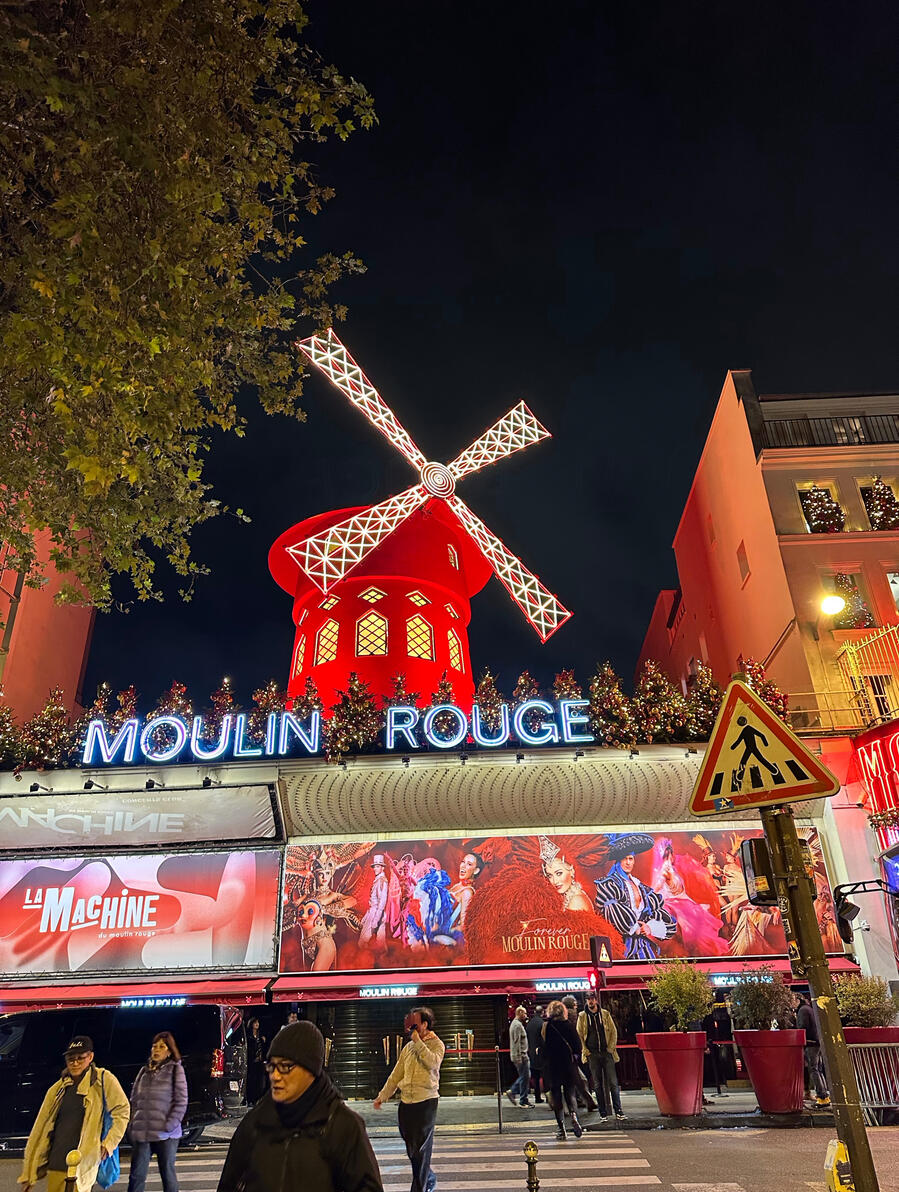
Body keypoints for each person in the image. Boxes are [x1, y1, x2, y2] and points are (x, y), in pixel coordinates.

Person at [217, 1021, 382, 1192]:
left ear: (311, 1069)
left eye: (286, 1067)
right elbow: (229, 1184)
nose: (275, 1076)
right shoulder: (256, 1122)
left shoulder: (342, 1125)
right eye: (272, 1066)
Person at [20, 1033, 130, 1192]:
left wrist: (109, 1144)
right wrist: (29, 1173)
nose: (75, 1063)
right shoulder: (58, 1089)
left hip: (83, 1163)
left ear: (90, 1056)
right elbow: (40, 1130)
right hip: (57, 1163)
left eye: (80, 1058)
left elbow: (123, 1110)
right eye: (71, 1059)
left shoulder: (103, 1080)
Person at [374, 1007, 444, 1192]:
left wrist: (418, 1042)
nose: (411, 1027)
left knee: (420, 1149)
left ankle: (419, 1187)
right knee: (412, 1148)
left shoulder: (437, 1044)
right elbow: (397, 1074)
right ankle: (428, 1176)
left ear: (424, 1024)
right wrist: (383, 1095)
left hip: (426, 1102)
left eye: (415, 1023)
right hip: (406, 1103)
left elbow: (433, 1063)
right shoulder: (408, 1047)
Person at [595, 833, 677, 960]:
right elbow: (612, 914)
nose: (628, 863)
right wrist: (635, 928)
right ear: (618, 860)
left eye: (631, 859)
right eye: (625, 859)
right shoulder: (608, 885)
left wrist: (649, 927)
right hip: (620, 947)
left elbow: (664, 918)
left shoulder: (643, 889)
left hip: (643, 947)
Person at [127, 1031, 189, 1192]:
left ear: (169, 1051)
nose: (156, 1049)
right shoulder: (144, 1071)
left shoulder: (175, 1070)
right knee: (136, 1176)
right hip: (143, 1133)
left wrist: (169, 1125)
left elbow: (181, 1101)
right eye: (154, 1046)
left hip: (166, 1134)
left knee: (167, 1175)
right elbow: (134, 1099)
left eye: (162, 1046)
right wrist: (133, 1122)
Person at [577, 990, 625, 1122]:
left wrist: (610, 1048)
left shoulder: (604, 1014)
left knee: (613, 1083)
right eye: (588, 999)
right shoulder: (582, 1016)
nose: (590, 1001)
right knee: (598, 1085)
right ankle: (603, 1113)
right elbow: (580, 1034)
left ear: (596, 1000)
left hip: (606, 1052)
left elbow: (613, 1031)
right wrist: (586, 1051)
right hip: (593, 1054)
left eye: (592, 998)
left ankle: (618, 1110)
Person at [542, 1001, 584, 1140]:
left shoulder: (548, 1027)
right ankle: (573, 1115)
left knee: (556, 1098)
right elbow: (578, 1046)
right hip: (568, 1065)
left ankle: (561, 1129)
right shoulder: (569, 1026)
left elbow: (546, 1047)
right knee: (570, 1094)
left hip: (553, 1066)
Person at [793, 992, 831, 1108]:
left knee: (814, 1070)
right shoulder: (808, 1008)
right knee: (818, 1069)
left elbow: (802, 1027)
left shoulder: (803, 1011)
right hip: (817, 1042)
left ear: (798, 1000)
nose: (792, 1003)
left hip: (811, 1043)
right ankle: (824, 1095)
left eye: (793, 1000)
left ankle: (822, 1097)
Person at [561, 996, 597, 1113]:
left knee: (574, 1081)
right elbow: (577, 1033)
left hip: (566, 1056)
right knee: (581, 1080)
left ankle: (580, 1103)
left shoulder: (561, 1019)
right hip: (573, 1055)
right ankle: (585, 1103)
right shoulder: (574, 1015)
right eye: (574, 1003)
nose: (576, 1004)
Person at [539, 836, 592, 912]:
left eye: (559, 873)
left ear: (571, 871)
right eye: (550, 876)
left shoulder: (576, 901)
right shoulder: (569, 896)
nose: (555, 881)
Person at [505, 1006, 531, 1108]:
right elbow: (516, 1042)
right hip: (521, 1056)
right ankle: (514, 1092)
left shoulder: (517, 1024)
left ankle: (523, 1099)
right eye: (524, 1013)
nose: (526, 1015)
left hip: (522, 1055)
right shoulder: (517, 1025)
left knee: (525, 1076)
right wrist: (519, 1057)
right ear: (519, 1013)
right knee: (525, 1076)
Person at [525, 1006, 545, 1104]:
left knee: (535, 1077)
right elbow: (543, 1039)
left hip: (531, 1053)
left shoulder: (529, 1024)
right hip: (540, 1054)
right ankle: (548, 1096)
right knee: (545, 1075)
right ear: (542, 1012)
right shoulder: (541, 1023)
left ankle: (537, 1097)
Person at [245, 1019, 268, 1106]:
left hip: (260, 1062)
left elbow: (263, 1049)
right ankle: (250, 1099)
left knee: (260, 1081)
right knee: (251, 1081)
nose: (257, 1024)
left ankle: (257, 1099)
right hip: (251, 1062)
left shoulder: (260, 1037)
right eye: (255, 1022)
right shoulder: (249, 1037)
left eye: (258, 1022)